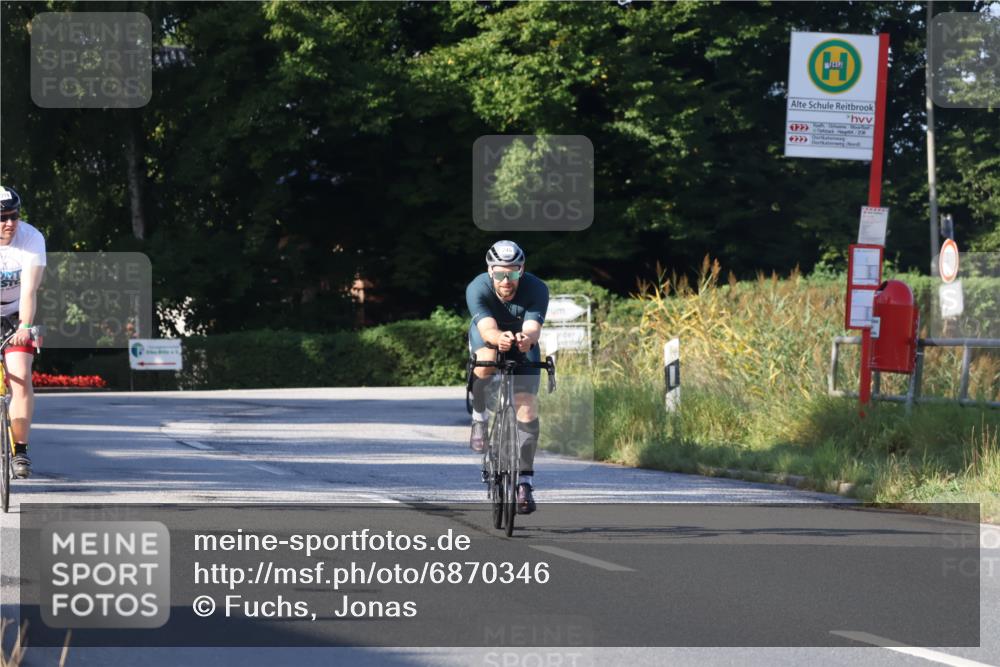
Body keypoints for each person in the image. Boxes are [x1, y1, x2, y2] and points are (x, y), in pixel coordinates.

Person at [466, 240, 549, 514]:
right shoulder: (477, 287)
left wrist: (527, 340)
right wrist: (497, 339)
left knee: (526, 405)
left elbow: (533, 327)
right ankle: (479, 417)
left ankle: (524, 480)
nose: (506, 280)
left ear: (521, 270)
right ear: (490, 271)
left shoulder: (537, 288)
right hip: (489, 337)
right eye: (500, 273)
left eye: (512, 273)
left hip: (522, 341)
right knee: (487, 360)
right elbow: (487, 328)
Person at [0, 186, 46, 479]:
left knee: (20, 375)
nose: (10, 223)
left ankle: (20, 449)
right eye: (2, 218)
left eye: (14, 216)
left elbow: (30, 290)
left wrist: (26, 328)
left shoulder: (31, 239)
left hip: (16, 314)